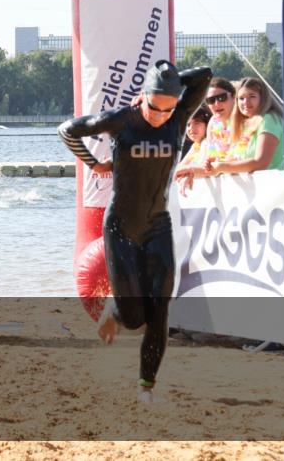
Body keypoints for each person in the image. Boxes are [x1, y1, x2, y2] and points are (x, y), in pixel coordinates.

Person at [59, 60, 212, 403]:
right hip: (121, 227)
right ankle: (116, 312)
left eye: (168, 108)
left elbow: (204, 75)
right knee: (134, 316)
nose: (159, 116)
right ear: (142, 97)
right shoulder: (121, 120)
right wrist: (94, 163)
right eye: (154, 107)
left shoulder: (179, 116)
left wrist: (169, 80)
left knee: (159, 312)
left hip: (158, 225)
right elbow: (67, 129)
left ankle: (147, 385)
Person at [179, 77, 284, 183]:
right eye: (241, 98)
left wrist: (220, 166)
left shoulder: (268, 119)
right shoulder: (245, 122)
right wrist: (193, 171)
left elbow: (260, 163)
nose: (246, 102)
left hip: (271, 187)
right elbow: (233, 162)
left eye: (252, 96)